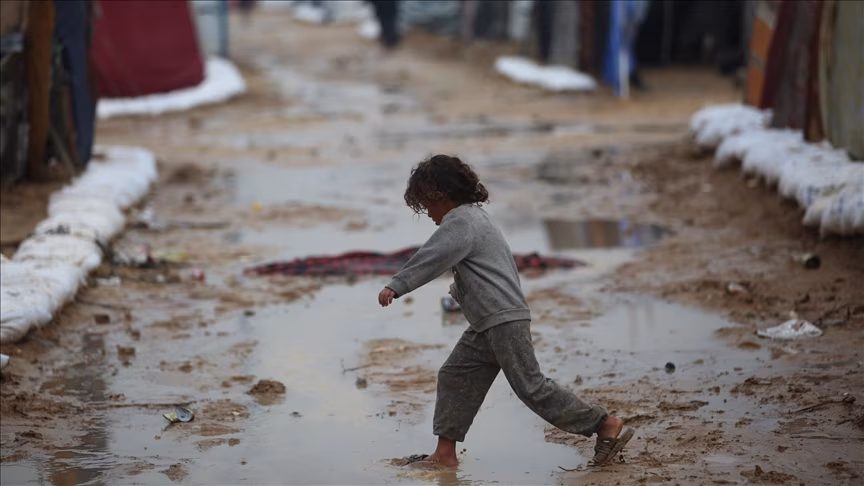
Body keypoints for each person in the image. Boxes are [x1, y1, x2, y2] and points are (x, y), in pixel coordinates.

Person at [377, 154, 634, 467]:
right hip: (487, 322)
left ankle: (603, 424)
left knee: (532, 387)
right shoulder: (476, 217)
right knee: (455, 374)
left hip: (502, 321)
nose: (429, 213)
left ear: (441, 196)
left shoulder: (461, 222)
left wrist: (398, 284)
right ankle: (444, 454)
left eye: (428, 205)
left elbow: (433, 255)